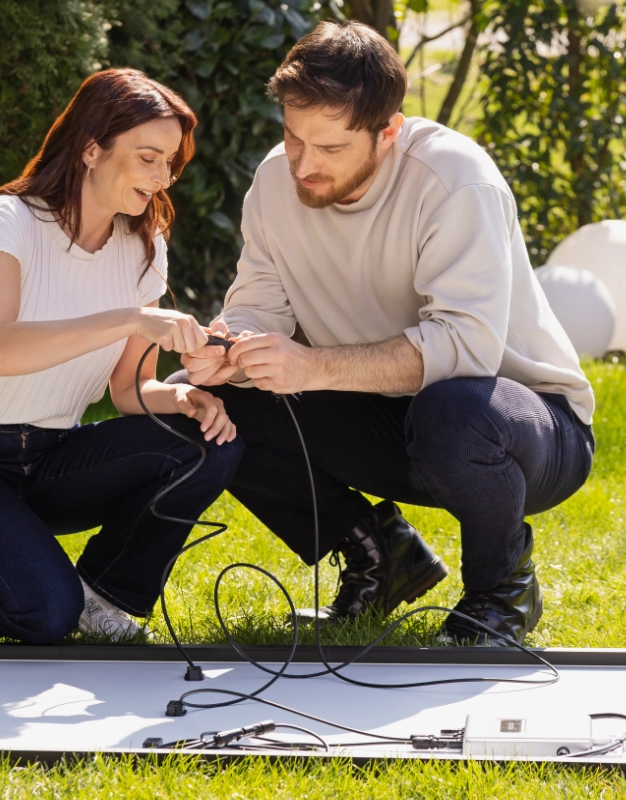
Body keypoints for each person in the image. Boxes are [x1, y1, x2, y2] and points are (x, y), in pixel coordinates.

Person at [178, 22, 596, 645]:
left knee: (452, 411)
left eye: (331, 148)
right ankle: (382, 556)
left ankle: (502, 592)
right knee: (218, 405)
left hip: (521, 430)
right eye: (293, 139)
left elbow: (465, 350)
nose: (304, 165)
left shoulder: (456, 180)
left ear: (389, 131)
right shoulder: (274, 181)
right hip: (382, 417)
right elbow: (257, 305)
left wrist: (313, 369)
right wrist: (229, 351)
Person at [0, 69, 242, 644]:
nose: (162, 177)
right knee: (42, 615)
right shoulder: (8, 221)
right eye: (147, 158)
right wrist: (132, 318)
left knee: (207, 443)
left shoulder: (144, 245)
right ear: (92, 148)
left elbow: (128, 390)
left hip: (49, 453)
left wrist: (186, 396)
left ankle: (103, 594)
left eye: (170, 163)